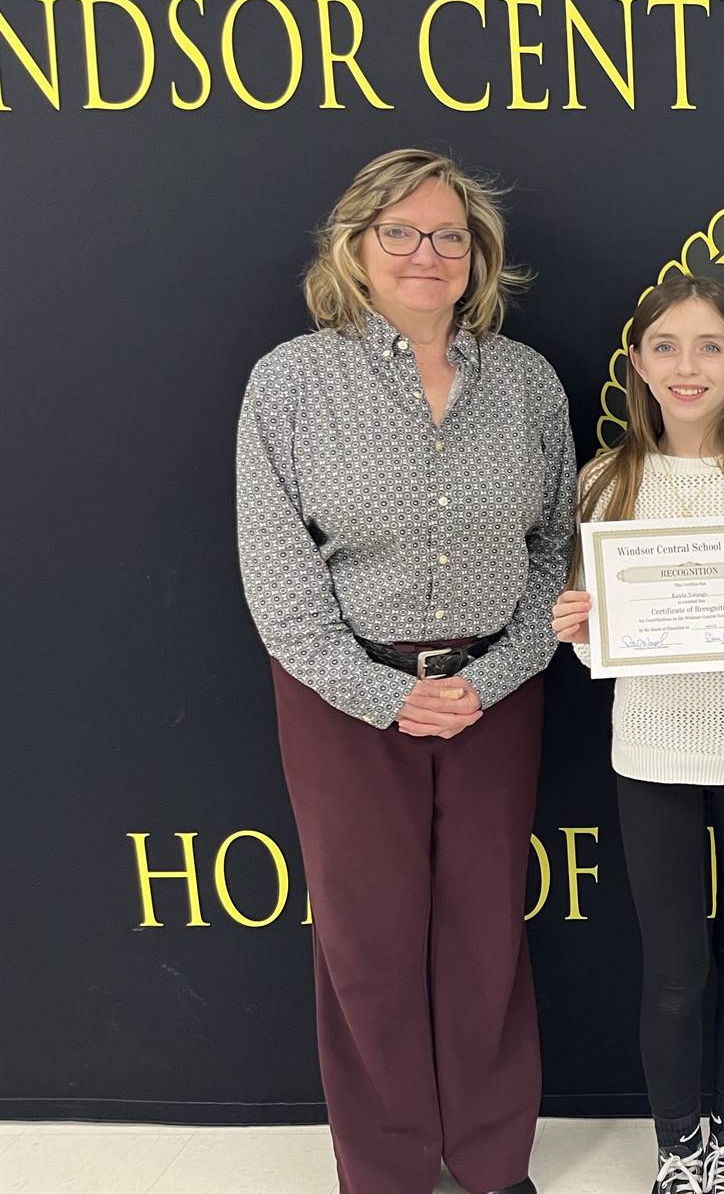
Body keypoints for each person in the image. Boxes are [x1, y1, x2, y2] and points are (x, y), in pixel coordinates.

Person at [236, 149, 574, 1194]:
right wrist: (389, 695)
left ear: (480, 258)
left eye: (449, 236)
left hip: (495, 693)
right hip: (344, 700)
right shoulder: (290, 381)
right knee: (366, 946)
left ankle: (488, 1161)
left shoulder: (527, 384)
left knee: (484, 940)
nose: (426, 254)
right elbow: (279, 579)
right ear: (357, 248)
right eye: (401, 233)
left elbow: (555, 554)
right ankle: (383, 1171)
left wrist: (493, 674)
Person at [552, 276, 724, 1194]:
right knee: (675, 969)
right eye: (667, 346)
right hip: (654, 749)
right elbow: (604, 641)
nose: (688, 365)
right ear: (637, 363)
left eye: (710, 345)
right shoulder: (605, 479)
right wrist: (583, 629)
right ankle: (678, 1146)